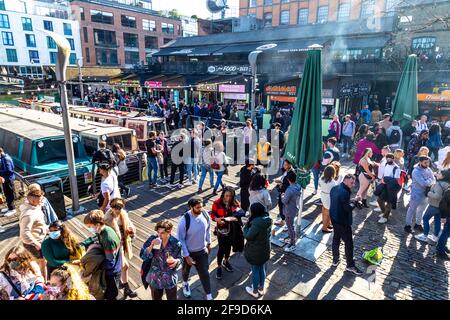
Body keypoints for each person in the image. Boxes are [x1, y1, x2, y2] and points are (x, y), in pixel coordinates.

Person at [177, 196, 212, 300]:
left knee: (205, 273)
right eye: (197, 207)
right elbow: (181, 239)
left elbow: (208, 229)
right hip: (189, 252)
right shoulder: (184, 220)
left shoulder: (205, 215)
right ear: (190, 207)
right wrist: (186, 256)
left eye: (201, 207)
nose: (200, 209)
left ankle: (209, 296)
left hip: (202, 250)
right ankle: (185, 283)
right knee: (185, 271)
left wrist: (209, 243)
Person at [82, 210, 122, 300]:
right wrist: (85, 243)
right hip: (111, 269)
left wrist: (94, 269)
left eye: (89, 226)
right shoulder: (103, 229)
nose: (88, 228)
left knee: (111, 295)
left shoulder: (108, 239)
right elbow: (95, 238)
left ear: (97, 224)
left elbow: (110, 262)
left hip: (112, 272)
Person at [330, 174, 363, 275]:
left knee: (336, 238)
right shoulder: (344, 192)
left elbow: (342, 202)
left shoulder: (335, 188)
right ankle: (350, 265)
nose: (353, 185)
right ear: (346, 180)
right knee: (349, 243)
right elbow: (347, 208)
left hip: (334, 217)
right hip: (342, 221)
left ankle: (335, 260)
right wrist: (356, 201)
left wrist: (352, 201)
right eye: (352, 183)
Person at [140, 220, 182, 300]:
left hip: (170, 278)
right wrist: (151, 246)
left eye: (162, 233)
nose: (159, 235)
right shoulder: (152, 239)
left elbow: (180, 258)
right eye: (158, 232)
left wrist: (176, 262)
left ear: (169, 231)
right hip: (155, 278)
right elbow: (142, 256)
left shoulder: (175, 243)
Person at [104, 198, 137, 299]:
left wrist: (131, 229)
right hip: (116, 245)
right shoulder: (107, 218)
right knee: (124, 266)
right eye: (115, 207)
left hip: (124, 241)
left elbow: (129, 223)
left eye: (120, 207)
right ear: (111, 207)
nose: (118, 210)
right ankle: (126, 288)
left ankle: (122, 284)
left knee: (123, 266)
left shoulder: (123, 213)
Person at [210, 187, 244, 280]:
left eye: (230, 196)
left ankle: (226, 261)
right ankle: (219, 266)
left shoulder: (235, 202)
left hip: (232, 229)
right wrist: (217, 219)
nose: (228, 198)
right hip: (221, 230)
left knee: (229, 247)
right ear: (223, 194)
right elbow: (212, 215)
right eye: (226, 196)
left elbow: (239, 213)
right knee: (221, 249)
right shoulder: (217, 203)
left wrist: (237, 215)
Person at [243, 202, 272, 298]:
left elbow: (248, 236)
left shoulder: (256, 223)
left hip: (255, 252)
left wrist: (245, 226)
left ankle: (254, 291)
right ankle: (261, 288)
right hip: (265, 250)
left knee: (255, 270)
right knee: (262, 269)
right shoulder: (268, 219)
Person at [19, 188, 48, 281]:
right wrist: (37, 244)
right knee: (41, 265)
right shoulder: (28, 215)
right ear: (32, 200)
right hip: (34, 244)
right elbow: (24, 234)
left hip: (39, 239)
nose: (42, 201)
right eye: (40, 200)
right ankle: (43, 284)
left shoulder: (35, 206)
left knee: (40, 264)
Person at [415, 169, 450, 243]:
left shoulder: (439, 184)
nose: (437, 174)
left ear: (443, 176)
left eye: (439, 174)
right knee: (437, 221)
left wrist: (429, 193)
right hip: (441, 207)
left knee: (425, 218)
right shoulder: (447, 184)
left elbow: (437, 196)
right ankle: (435, 236)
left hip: (434, 205)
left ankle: (425, 235)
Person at [405, 156, 436, 233]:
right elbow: (423, 183)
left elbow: (434, 180)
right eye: (425, 162)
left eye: (428, 162)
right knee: (412, 209)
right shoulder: (416, 171)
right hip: (416, 194)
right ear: (420, 162)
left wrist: (428, 181)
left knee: (421, 210)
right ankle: (407, 225)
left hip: (426, 194)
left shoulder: (429, 169)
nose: (427, 164)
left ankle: (418, 224)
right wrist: (429, 180)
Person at [375, 153, 402, 224]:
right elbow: (384, 173)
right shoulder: (386, 164)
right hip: (385, 185)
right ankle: (384, 212)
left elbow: (396, 179)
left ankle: (385, 217)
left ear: (393, 159)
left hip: (392, 187)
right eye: (387, 158)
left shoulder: (396, 168)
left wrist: (387, 180)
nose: (389, 160)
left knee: (390, 202)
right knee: (379, 200)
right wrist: (383, 179)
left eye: (390, 159)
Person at [281, 172, 301, 252]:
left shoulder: (289, 190)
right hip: (294, 208)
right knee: (291, 226)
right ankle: (291, 239)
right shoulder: (298, 186)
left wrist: (282, 196)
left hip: (289, 210)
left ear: (288, 180)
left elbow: (285, 201)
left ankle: (293, 244)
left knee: (290, 227)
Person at [274, 159, 294, 226]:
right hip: (282, 192)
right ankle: (283, 220)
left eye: (285, 165)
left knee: (286, 208)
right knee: (281, 206)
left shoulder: (292, 173)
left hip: (286, 193)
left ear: (290, 165)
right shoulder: (286, 171)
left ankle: (287, 224)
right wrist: (279, 182)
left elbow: (290, 185)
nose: (284, 166)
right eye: (283, 164)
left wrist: (280, 185)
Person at [319, 165, 339, 233]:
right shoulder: (333, 183)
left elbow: (320, 185)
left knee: (324, 210)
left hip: (323, 195)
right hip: (329, 198)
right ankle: (324, 227)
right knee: (327, 213)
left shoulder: (321, 179)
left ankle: (327, 224)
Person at [0, 147, 16, 217]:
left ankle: (12, 209)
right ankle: (9, 207)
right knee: (7, 194)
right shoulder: (3, 158)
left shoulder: (6, 159)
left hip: (9, 179)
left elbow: (9, 171)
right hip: (5, 179)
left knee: (10, 194)